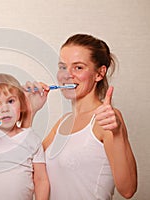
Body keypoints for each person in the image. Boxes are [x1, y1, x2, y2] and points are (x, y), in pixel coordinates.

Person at [25, 34, 137, 199]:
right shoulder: (63, 122)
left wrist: (118, 133)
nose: (67, 75)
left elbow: (128, 190)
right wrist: (30, 112)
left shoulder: (106, 119)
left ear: (99, 73)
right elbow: (28, 167)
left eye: (78, 67)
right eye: (63, 67)